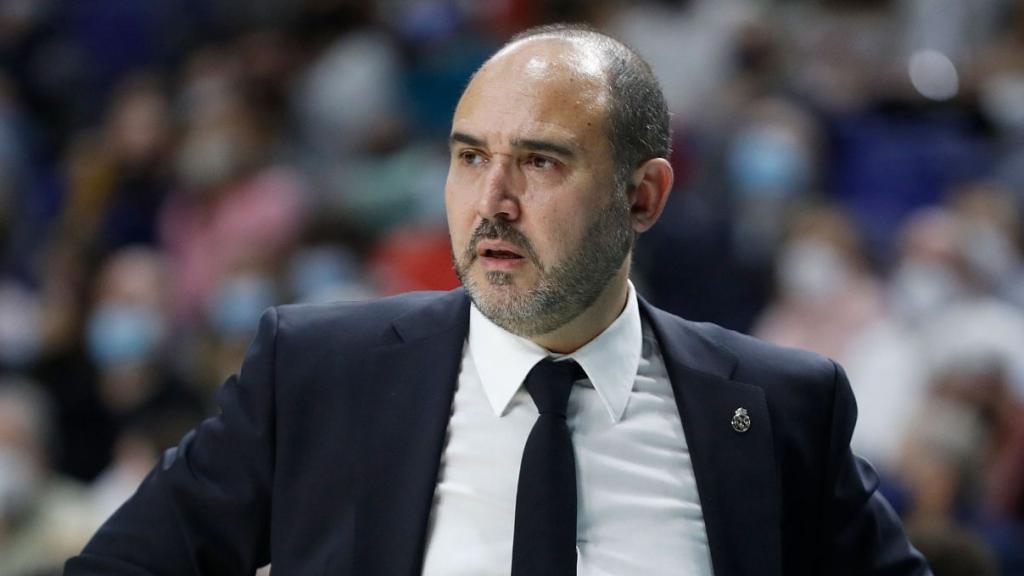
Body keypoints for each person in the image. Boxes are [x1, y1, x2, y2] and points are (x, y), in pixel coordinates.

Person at [65, 24, 932, 576]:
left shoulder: (775, 408)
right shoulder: (316, 375)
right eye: (470, 157)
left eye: (542, 162)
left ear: (644, 197)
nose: (492, 203)